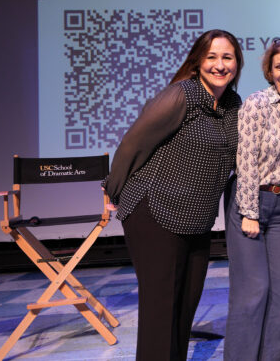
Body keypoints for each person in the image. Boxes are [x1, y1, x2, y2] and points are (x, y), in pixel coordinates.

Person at [103, 29, 243, 361]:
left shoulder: (233, 104)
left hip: (197, 217)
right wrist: (113, 192)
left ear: (238, 62)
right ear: (197, 62)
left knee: (185, 306)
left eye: (227, 57)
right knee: (161, 308)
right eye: (211, 57)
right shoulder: (182, 95)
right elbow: (134, 143)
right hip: (155, 209)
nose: (220, 65)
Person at [223, 37, 280, 361]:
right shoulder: (257, 103)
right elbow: (245, 160)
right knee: (253, 292)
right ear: (270, 70)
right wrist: (249, 211)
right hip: (250, 203)